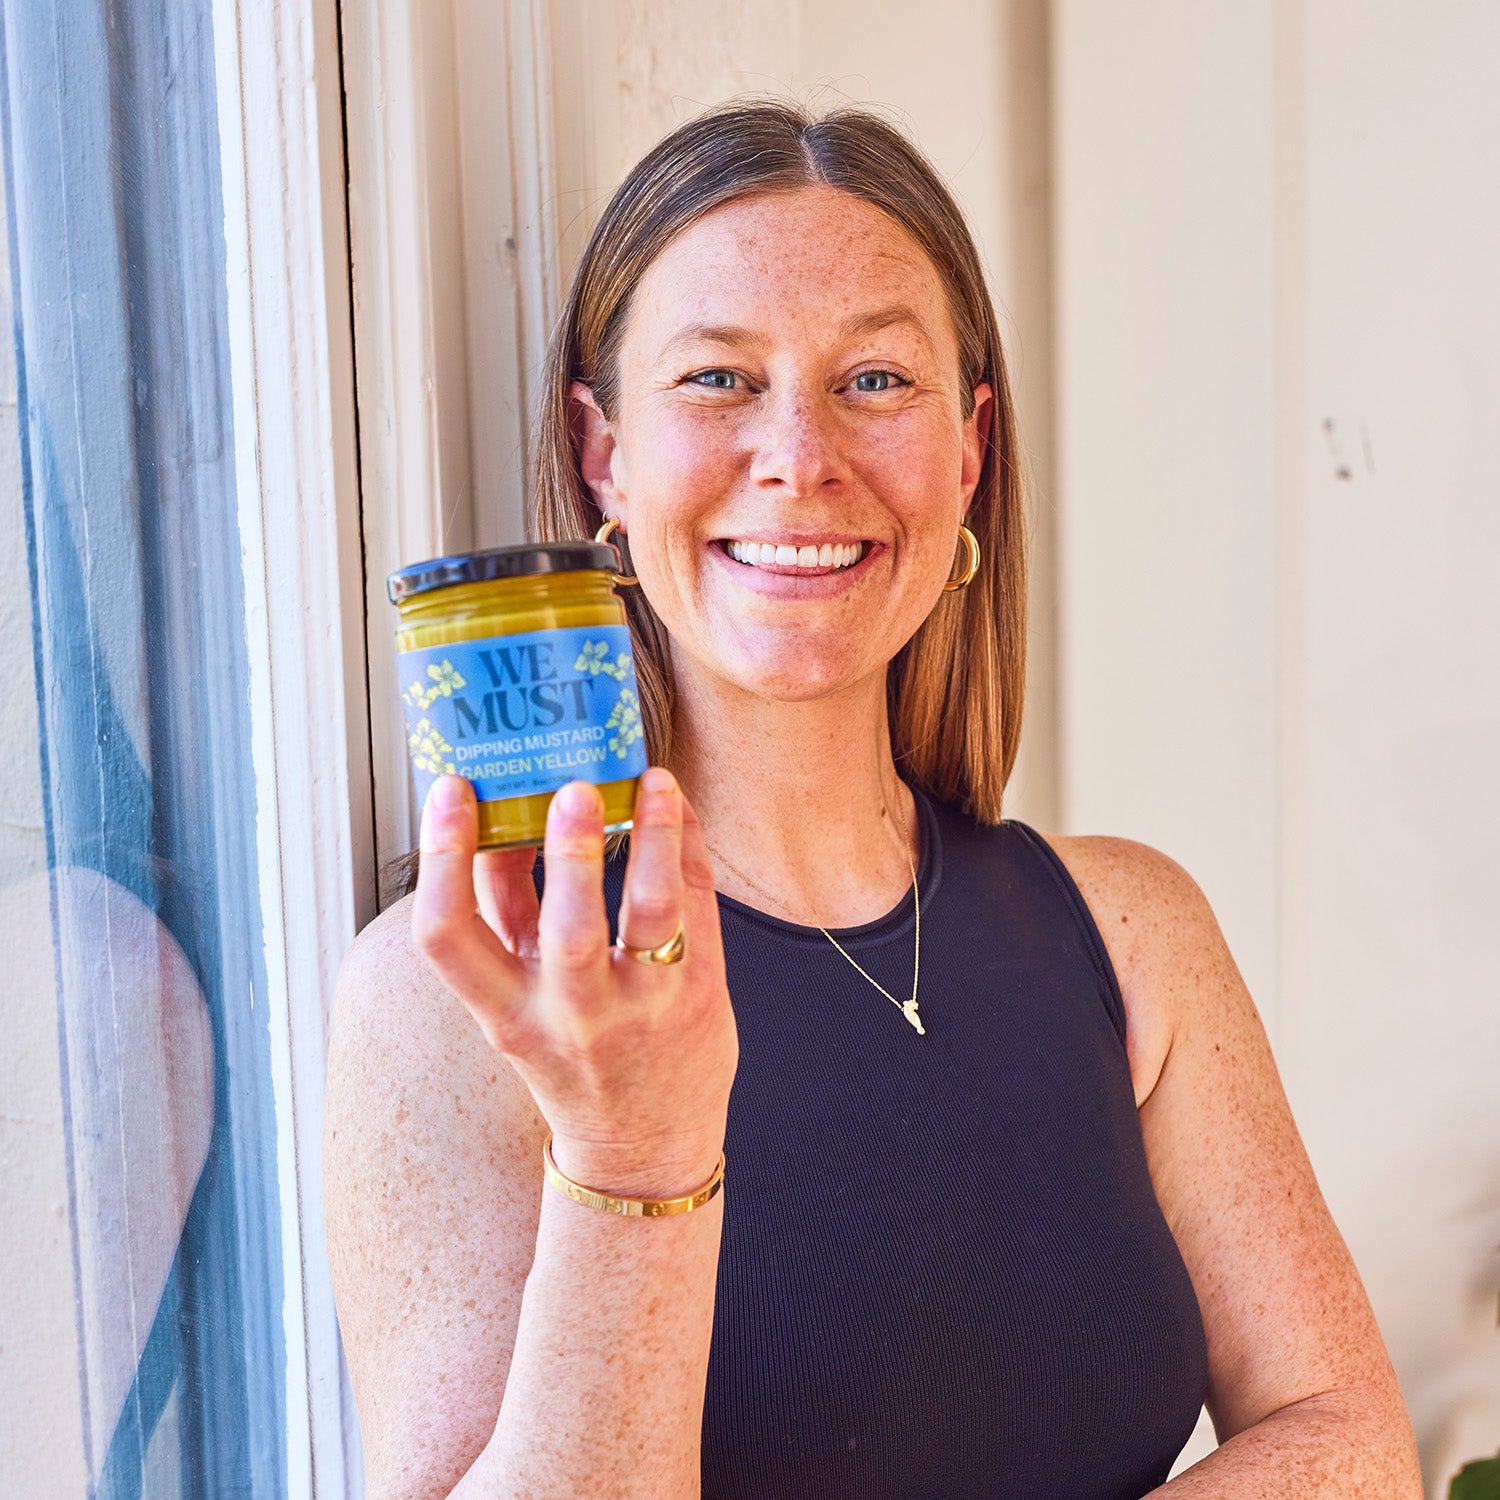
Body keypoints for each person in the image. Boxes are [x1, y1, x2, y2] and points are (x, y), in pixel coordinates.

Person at [323, 101, 1420, 1499]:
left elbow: (1352, 1441)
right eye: (718, 378)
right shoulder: (470, 994)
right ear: (604, 453)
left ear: (967, 450)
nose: (801, 455)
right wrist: (633, 1155)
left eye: (877, 380)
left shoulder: (1133, 933)